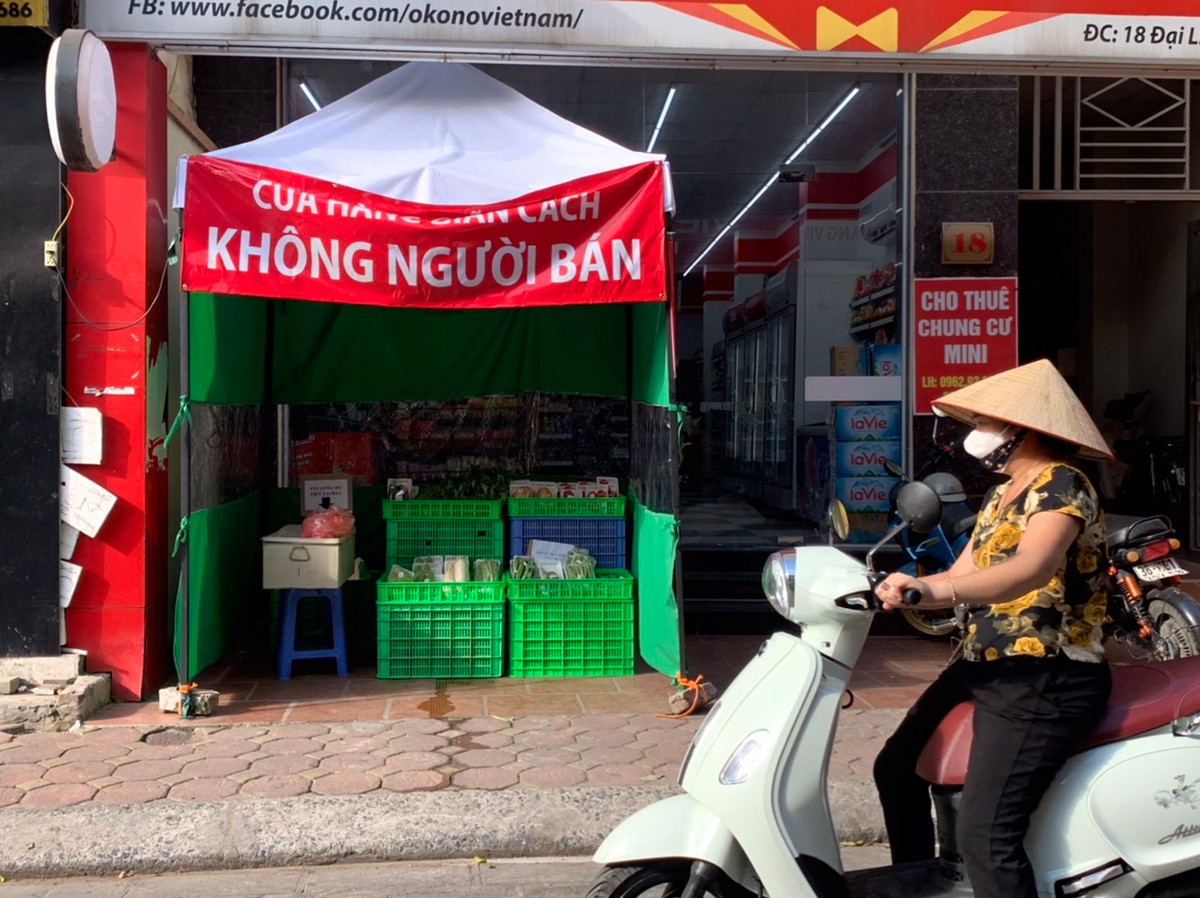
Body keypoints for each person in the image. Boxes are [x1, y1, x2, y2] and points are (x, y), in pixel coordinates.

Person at [872, 359, 1114, 898]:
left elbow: (1031, 567)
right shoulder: (1000, 494)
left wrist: (939, 590)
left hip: (1046, 674)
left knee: (986, 835)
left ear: (1024, 430)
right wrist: (906, 586)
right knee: (897, 767)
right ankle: (916, 884)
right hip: (987, 663)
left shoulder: (1062, 485)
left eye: (987, 423)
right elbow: (962, 573)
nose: (975, 435)